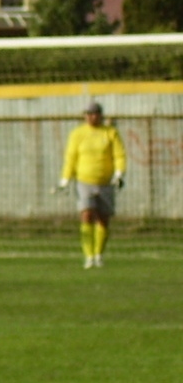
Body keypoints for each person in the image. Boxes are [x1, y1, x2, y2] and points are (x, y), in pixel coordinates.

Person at [57, 101, 126, 269]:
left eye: (94, 114)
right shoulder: (78, 134)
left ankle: (98, 254)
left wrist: (119, 173)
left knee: (103, 218)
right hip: (84, 180)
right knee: (86, 214)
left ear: (100, 115)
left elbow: (119, 155)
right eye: (88, 114)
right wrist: (66, 177)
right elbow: (71, 156)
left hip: (105, 182)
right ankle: (88, 255)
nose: (91, 117)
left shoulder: (110, 133)